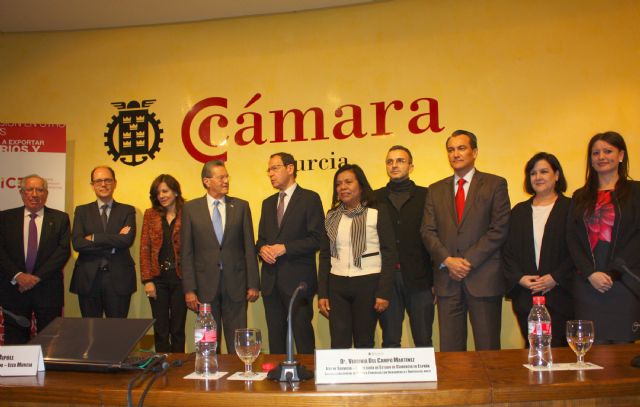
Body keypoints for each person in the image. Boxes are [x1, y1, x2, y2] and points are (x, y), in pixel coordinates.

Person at [421, 129, 510, 351]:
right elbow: (427, 231)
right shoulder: (435, 190)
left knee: (488, 350)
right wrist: (448, 260)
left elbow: (499, 229)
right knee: (451, 353)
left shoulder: (495, 184)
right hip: (447, 281)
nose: (456, 154)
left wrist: (466, 261)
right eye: (451, 150)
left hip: (483, 278)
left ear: (475, 152)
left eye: (461, 148)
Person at [567, 131, 640, 344]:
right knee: (590, 349)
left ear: (621, 155)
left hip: (624, 283)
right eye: (596, 153)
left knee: (623, 351)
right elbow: (572, 238)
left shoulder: (636, 192)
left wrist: (613, 272)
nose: (601, 157)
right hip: (587, 284)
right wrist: (590, 273)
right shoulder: (579, 196)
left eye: (608, 151)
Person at [181, 160, 259, 354]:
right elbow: (187, 252)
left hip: (236, 284)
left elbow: (249, 247)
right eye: (221, 177)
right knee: (207, 345)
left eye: (227, 176)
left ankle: (238, 372)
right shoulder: (190, 209)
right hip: (204, 287)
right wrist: (189, 289)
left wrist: (253, 283)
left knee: (237, 344)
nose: (226, 181)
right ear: (207, 181)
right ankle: (209, 372)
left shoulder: (240, 206)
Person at [318, 164, 395, 348]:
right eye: (338, 184)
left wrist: (383, 292)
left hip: (368, 283)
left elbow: (389, 252)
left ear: (360, 185)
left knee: (364, 342)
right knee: (338, 343)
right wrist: (322, 293)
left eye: (348, 182)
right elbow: (325, 256)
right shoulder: (332, 215)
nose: (342, 187)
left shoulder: (377, 211)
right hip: (337, 285)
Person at [502, 152, 574, 347]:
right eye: (533, 173)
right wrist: (519, 278)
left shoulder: (571, 208)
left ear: (556, 175)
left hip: (561, 294)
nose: (538, 177)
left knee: (560, 350)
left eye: (544, 171)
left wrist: (556, 277)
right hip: (527, 296)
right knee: (532, 348)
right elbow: (507, 251)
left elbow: (578, 251)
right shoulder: (519, 211)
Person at [256, 152, 324, 354]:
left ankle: (308, 373)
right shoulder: (267, 203)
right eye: (268, 170)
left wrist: (285, 247)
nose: (270, 174)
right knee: (276, 340)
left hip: (298, 283)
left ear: (290, 168)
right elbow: (261, 239)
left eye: (275, 168)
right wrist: (262, 249)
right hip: (270, 282)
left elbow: (317, 238)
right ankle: (279, 373)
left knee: (302, 337)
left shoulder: (310, 198)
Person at [374, 146, 434, 348]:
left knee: (423, 340)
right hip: (386, 280)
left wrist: (436, 279)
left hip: (420, 278)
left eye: (400, 160)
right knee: (390, 340)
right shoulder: (374, 198)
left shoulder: (427, 196)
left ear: (411, 166)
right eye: (389, 161)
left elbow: (435, 237)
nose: (394, 165)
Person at [0, 175, 70, 344]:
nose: (34, 194)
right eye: (29, 189)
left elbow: (62, 252)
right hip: (14, 290)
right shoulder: (5, 218)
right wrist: (18, 275)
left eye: (40, 190)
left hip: (48, 290)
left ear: (46, 193)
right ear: (21, 193)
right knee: (15, 342)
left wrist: (35, 278)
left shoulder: (60, 218)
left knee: (50, 342)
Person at [70, 166, 136, 318]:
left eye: (108, 180)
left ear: (115, 183)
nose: (103, 184)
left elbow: (126, 240)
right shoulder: (82, 211)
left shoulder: (127, 210)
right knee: (90, 328)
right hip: (88, 278)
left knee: (117, 328)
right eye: (98, 181)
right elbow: (77, 243)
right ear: (92, 185)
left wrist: (94, 237)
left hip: (118, 278)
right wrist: (113, 242)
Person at [140, 174, 187, 353]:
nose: (161, 196)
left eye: (165, 191)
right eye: (158, 193)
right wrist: (147, 280)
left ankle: (178, 363)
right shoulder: (150, 214)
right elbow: (144, 248)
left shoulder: (188, 212)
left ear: (175, 192)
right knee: (160, 329)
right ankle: (161, 363)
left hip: (180, 278)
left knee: (178, 328)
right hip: (157, 279)